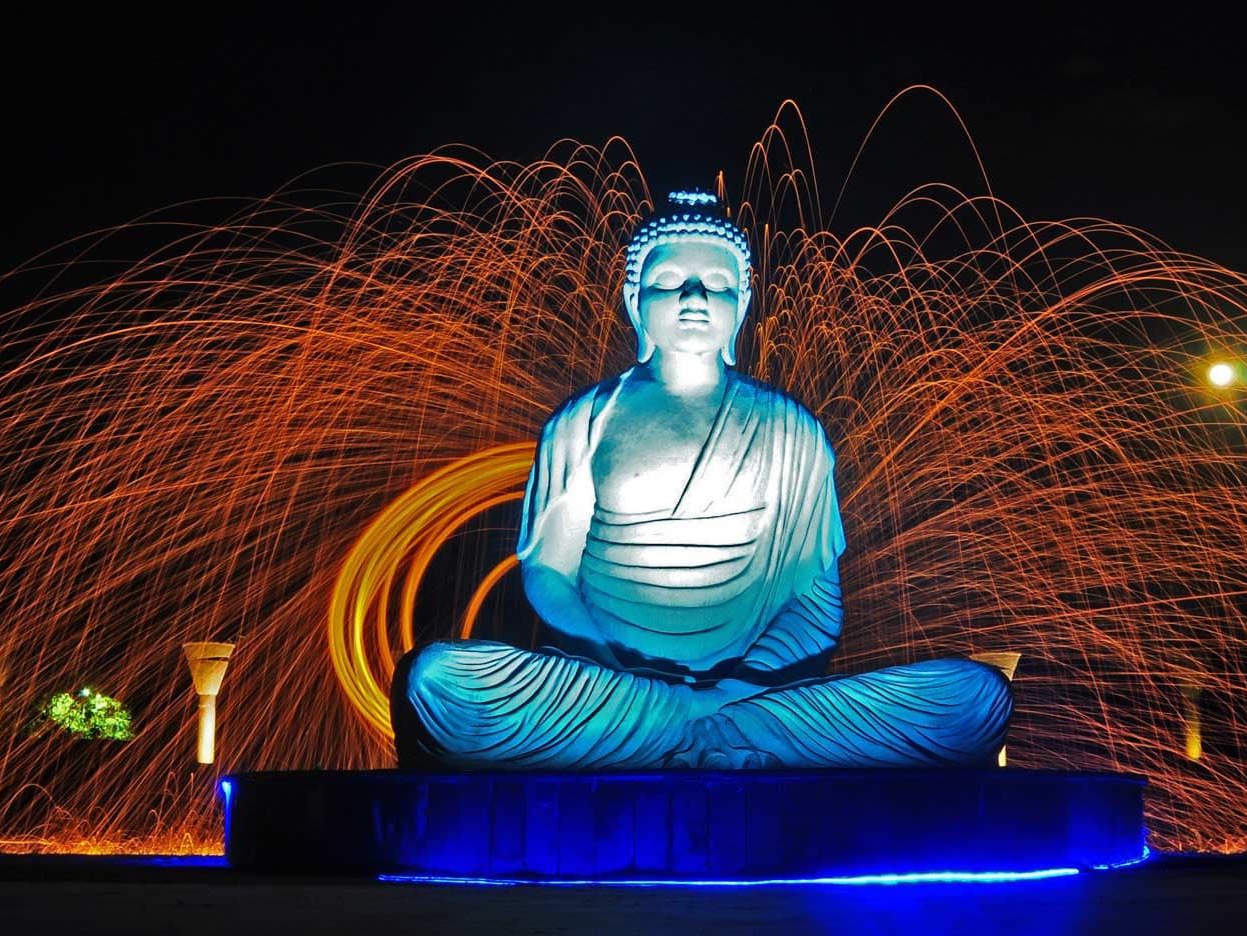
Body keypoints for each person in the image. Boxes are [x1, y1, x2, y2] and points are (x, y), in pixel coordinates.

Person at [392, 197, 1011, 769]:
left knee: (973, 700)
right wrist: (627, 678)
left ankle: (698, 733)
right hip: (615, 691)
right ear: (635, 301)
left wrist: (742, 685)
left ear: (742, 304)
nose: (694, 297)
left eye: (717, 285)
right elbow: (549, 574)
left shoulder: (790, 429)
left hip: (758, 694)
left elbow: (814, 604)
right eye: (668, 282)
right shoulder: (584, 422)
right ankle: (719, 739)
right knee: (440, 684)